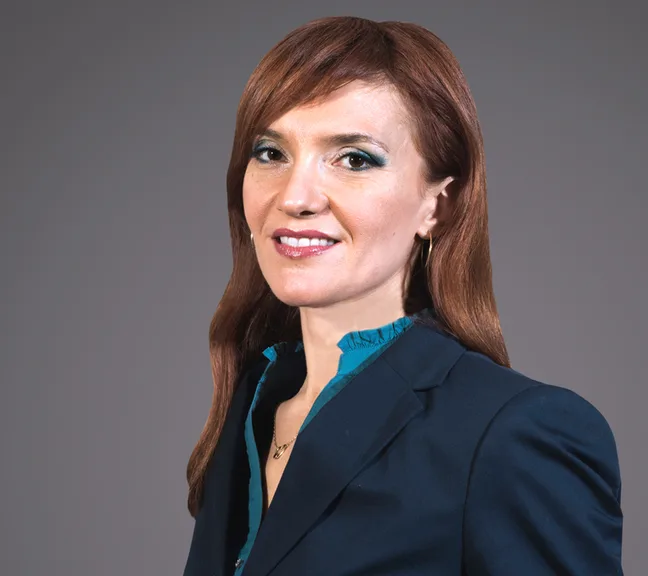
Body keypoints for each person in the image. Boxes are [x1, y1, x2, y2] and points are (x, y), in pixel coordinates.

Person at [183, 15, 623, 576]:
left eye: (354, 159)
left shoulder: (514, 434)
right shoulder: (250, 407)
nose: (294, 196)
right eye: (271, 152)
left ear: (436, 206)